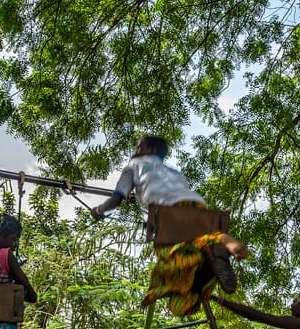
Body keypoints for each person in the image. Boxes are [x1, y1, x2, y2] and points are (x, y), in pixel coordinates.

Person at [91, 135, 249, 316]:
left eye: (139, 147)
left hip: (168, 210)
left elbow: (116, 198)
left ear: (150, 149)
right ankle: (215, 244)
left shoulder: (134, 165)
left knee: (171, 258)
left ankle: (217, 240)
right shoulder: (173, 171)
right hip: (199, 207)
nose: (136, 151)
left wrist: (98, 210)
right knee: (193, 252)